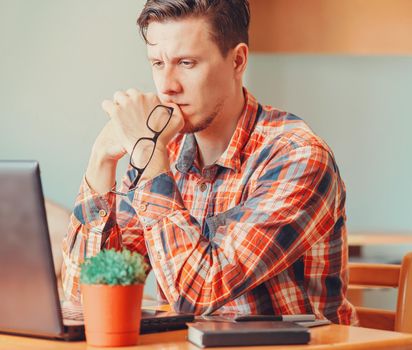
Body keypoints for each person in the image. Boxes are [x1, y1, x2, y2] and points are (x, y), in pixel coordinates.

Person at [62, 0, 357, 324]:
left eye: (186, 63)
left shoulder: (298, 156)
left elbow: (197, 291)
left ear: (238, 60)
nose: (167, 86)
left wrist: (148, 155)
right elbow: (84, 301)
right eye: (158, 63)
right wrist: (101, 159)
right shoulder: (162, 152)